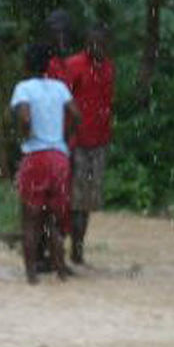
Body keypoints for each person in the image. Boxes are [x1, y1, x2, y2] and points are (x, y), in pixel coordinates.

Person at [12, 43, 81, 284]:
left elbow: (25, 116)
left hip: (36, 156)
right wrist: (64, 137)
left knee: (31, 219)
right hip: (59, 157)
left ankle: (32, 274)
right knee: (55, 218)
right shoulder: (60, 88)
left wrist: (27, 133)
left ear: (26, 64)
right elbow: (76, 114)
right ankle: (60, 269)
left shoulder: (23, 88)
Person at [55, 24, 115, 264]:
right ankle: (64, 249)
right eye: (92, 43)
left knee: (88, 201)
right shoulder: (74, 65)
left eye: (101, 43)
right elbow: (62, 102)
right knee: (73, 199)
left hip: (98, 142)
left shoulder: (109, 68)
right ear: (86, 43)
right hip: (76, 142)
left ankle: (78, 249)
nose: (96, 48)